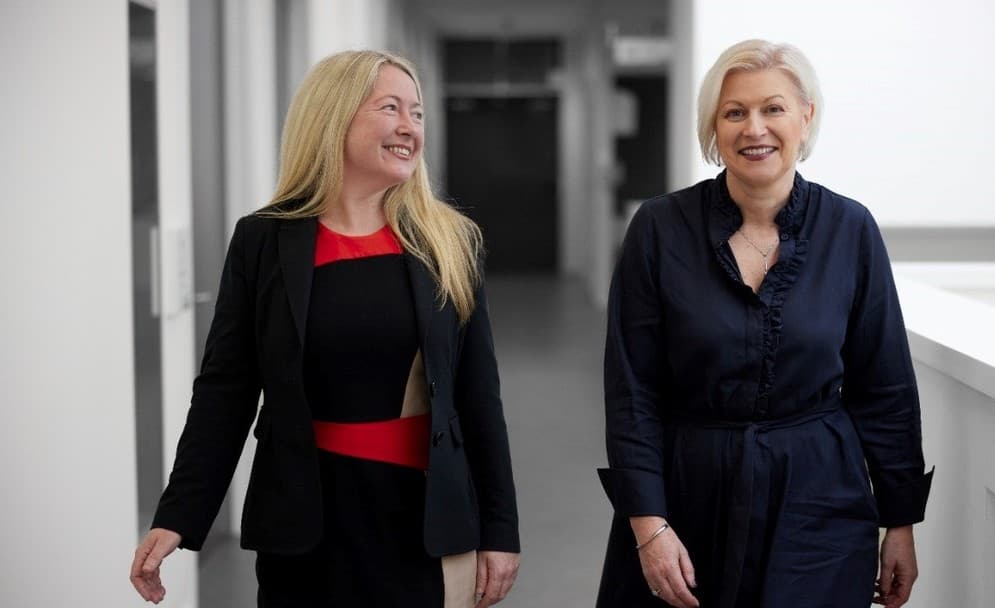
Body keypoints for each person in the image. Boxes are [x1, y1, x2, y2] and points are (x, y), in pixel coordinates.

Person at [129, 50, 520, 607]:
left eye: (417, 113)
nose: (410, 126)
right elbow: (225, 390)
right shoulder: (263, 241)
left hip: (422, 524)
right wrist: (179, 514)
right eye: (391, 108)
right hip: (302, 527)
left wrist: (500, 529)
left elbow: (478, 396)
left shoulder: (450, 242)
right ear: (334, 117)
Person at [596, 39, 933, 608]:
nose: (755, 128)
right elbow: (633, 390)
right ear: (714, 126)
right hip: (689, 499)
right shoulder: (659, 228)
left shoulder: (851, 229)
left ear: (805, 117)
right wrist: (648, 525)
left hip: (821, 501)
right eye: (735, 112)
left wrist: (899, 523)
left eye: (773, 108)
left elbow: (885, 387)